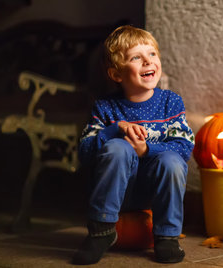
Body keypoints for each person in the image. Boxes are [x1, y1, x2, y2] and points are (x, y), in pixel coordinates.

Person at [72, 25, 195, 265]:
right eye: (136, 57)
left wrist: (147, 150)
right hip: (118, 195)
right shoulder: (106, 108)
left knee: (171, 159)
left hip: (155, 196)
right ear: (117, 74)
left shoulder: (171, 102)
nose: (147, 61)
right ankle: (101, 231)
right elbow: (85, 153)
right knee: (119, 147)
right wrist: (115, 128)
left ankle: (167, 238)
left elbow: (185, 147)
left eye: (152, 54)